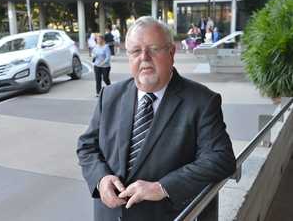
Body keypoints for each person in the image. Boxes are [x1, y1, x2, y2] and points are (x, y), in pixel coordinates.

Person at [77, 16, 236, 221]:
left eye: (154, 49)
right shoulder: (109, 96)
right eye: (135, 51)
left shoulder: (202, 101)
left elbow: (220, 158)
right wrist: (101, 179)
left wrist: (162, 187)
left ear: (171, 52)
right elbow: (86, 146)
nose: (144, 57)